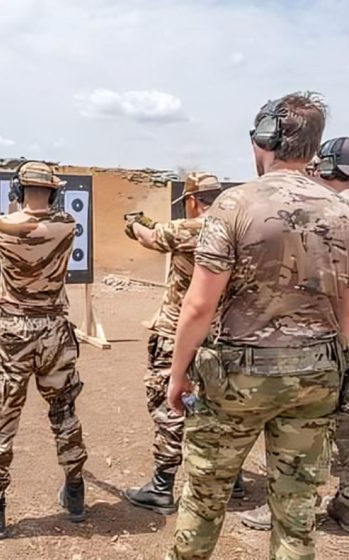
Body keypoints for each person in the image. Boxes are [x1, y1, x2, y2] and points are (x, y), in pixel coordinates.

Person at [164, 92, 349, 559]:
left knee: (204, 500)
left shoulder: (234, 204)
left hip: (239, 379)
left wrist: (178, 375)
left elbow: (198, 305)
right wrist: (323, 363)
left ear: (266, 138)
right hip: (316, 376)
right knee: (296, 513)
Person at [238, 137, 349, 534]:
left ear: (325, 168)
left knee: (307, 420)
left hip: (330, 334)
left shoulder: (328, 212)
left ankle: (293, 505)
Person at [0, 161, 88, 539]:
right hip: (54, 328)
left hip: (15, 330)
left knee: (2, 418)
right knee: (63, 411)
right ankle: (75, 492)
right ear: (54, 191)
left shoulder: (1, 226)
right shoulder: (67, 226)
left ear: (18, 191)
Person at [122, 173, 244, 516]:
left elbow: (151, 237)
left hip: (178, 331)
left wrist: (133, 224)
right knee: (219, 406)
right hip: (221, 336)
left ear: (192, 201)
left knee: (168, 405)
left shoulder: (191, 228)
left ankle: (162, 486)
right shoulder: (238, 229)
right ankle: (231, 478)